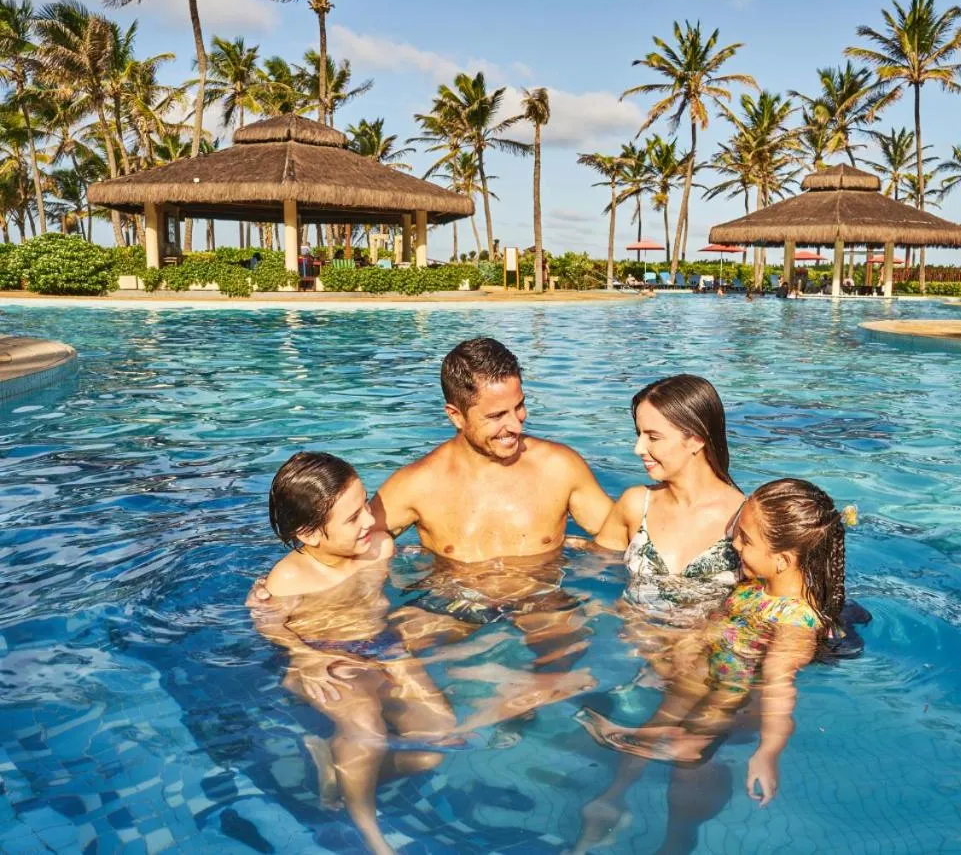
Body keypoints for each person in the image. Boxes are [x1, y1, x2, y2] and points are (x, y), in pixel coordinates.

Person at [253, 452, 591, 854]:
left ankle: (339, 765)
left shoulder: (379, 549)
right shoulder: (290, 578)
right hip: (328, 659)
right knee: (366, 728)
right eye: (353, 517)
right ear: (309, 534)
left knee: (436, 742)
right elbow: (269, 625)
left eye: (366, 504)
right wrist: (302, 655)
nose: (369, 519)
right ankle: (372, 836)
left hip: (384, 647)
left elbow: (417, 578)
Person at [250, 339, 613, 663]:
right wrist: (279, 591)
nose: (516, 425)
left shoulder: (559, 467)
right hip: (452, 605)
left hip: (543, 600)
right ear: (455, 415)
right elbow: (341, 540)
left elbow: (623, 536)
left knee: (566, 668)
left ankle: (511, 701)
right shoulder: (417, 484)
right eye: (496, 416)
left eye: (519, 407)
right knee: (368, 660)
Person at [572, 478, 847, 853]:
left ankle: (685, 758)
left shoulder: (796, 621)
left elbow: (779, 688)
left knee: (692, 741)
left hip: (731, 692)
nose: (734, 545)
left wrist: (767, 753)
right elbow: (716, 626)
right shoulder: (753, 588)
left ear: (783, 560)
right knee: (656, 721)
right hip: (703, 673)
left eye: (745, 540)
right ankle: (613, 799)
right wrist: (681, 645)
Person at [594, 375, 745, 628]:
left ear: (696, 440)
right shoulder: (636, 504)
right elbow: (593, 568)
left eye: (653, 438)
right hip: (633, 642)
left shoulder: (745, 518)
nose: (638, 448)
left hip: (705, 649)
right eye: (639, 434)